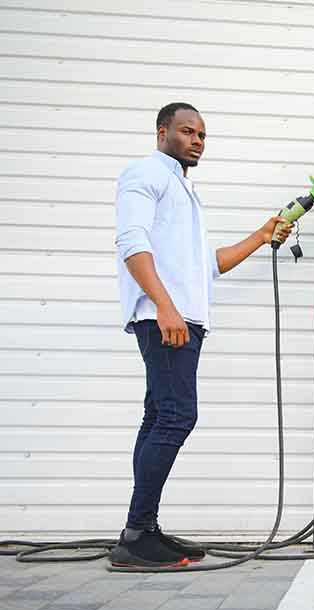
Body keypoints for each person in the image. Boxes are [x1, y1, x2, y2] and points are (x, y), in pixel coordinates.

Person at [110, 102, 292, 567]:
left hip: (181, 319)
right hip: (165, 321)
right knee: (176, 417)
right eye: (187, 131)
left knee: (158, 419)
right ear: (161, 131)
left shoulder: (181, 190)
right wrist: (165, 307)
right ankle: (135, 536)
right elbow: (132, 243)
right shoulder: (144, 174)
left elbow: (206, 266)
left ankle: (143, 528)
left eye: (202, 135)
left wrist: (262, 234)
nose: (197, 140)